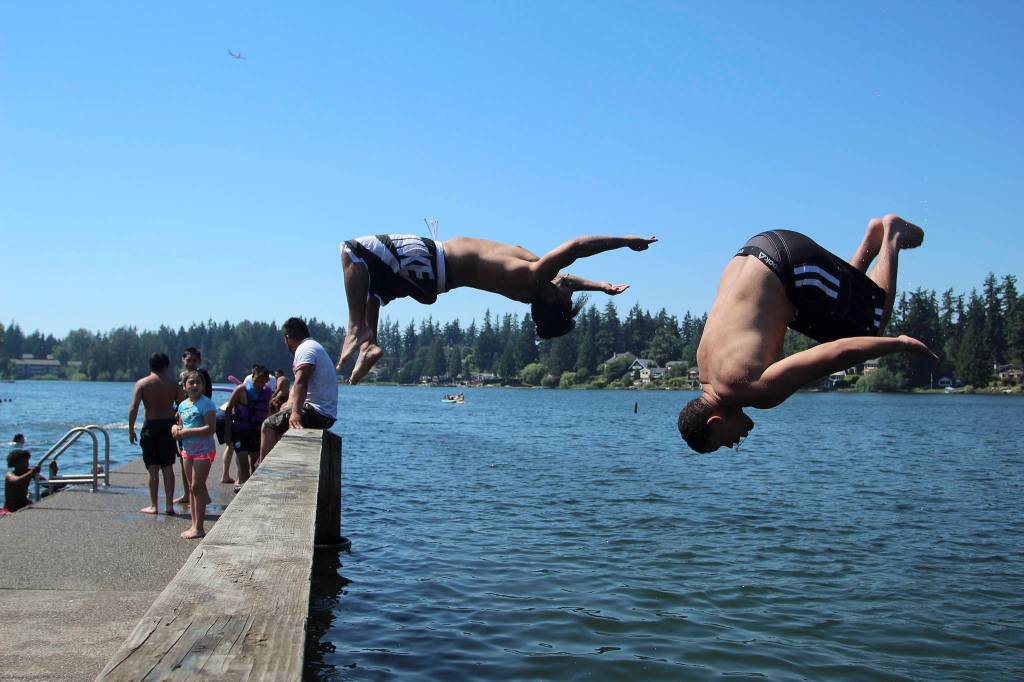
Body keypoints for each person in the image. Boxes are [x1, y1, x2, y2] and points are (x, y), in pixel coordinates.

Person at [678, 215, 938, 453]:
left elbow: (833, 355)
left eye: (722, 443)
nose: (732, 444)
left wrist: (898, 344)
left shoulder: (750, 390)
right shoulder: (706, 368)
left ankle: (892, 237)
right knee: (839, 327)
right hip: (756, 255)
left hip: (787, 264)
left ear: (715, 421)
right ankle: (872, 240)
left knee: (871, 329)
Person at [338, 233, 657, 383]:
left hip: (433, 259)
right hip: (434, 277)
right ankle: (370, 345)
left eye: (567, 299)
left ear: (549, 299)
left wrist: (626, 241)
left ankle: (357, 329)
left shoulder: (535, 275)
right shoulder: (535, 284)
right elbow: (569, 280)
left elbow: (577, 247)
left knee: (353, 251)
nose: (570, 292)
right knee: (375, 284)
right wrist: (601, 286)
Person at [259, 318, 337, 462]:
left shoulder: (304, 349)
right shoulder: (314, 346)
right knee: (278, 422)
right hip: (325, 414)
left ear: (287, 338)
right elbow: (296, 386)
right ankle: (278, 464)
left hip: (316, 413)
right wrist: (289, 404)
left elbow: (302, 380)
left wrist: (295, 413)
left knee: (268, 426)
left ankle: (261, 476)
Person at [128, 352, 183, 515]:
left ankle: (154, 505)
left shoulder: (142, 384)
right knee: (168, 467)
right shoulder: (174, 384)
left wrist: (131, 429)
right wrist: (180, 426)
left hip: (150, 426)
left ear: (150, 366)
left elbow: (134, 408)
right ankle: (169, 505)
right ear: (166, 366)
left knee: (152, 469)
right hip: (168, 426)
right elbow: (182, 406)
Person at [172, 371, 218, 539]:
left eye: (198, 382)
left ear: (203, 386)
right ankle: (194, 525)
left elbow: (210, 428)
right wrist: (175, 429)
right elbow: (179, 425)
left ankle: (199, 528)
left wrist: (187, 432)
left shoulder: (207, 404)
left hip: (204, 450)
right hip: (187, 450)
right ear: (184, 386)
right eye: (191, 382)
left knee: (198, 486)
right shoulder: (183, 405)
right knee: (192, 487)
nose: (195, 385)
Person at [223, 364, 273, 488]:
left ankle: (250, 489)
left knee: (254, 466)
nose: (259, 384)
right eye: (256, 381)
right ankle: (242, 488)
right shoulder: (241, 390)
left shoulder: (268, 392)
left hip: (255, 432)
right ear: (252, 377)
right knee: (244, 465)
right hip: (239, 431)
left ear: (267, 381)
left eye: (262, 382)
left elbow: (270, 412)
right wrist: (227, 431)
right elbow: (228, 409)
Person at [174, 347, 213, 504]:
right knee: (185, 458)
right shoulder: (182, 376)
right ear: (183, 360)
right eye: (188, 360)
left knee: (197, 463)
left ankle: (199, 494)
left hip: (198, 421)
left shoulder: (202, 376)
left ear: (199, 361)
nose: (190, 363)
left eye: (194, 361)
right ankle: (187, 493)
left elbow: (207, 396)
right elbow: (180, 399)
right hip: (184, 418)